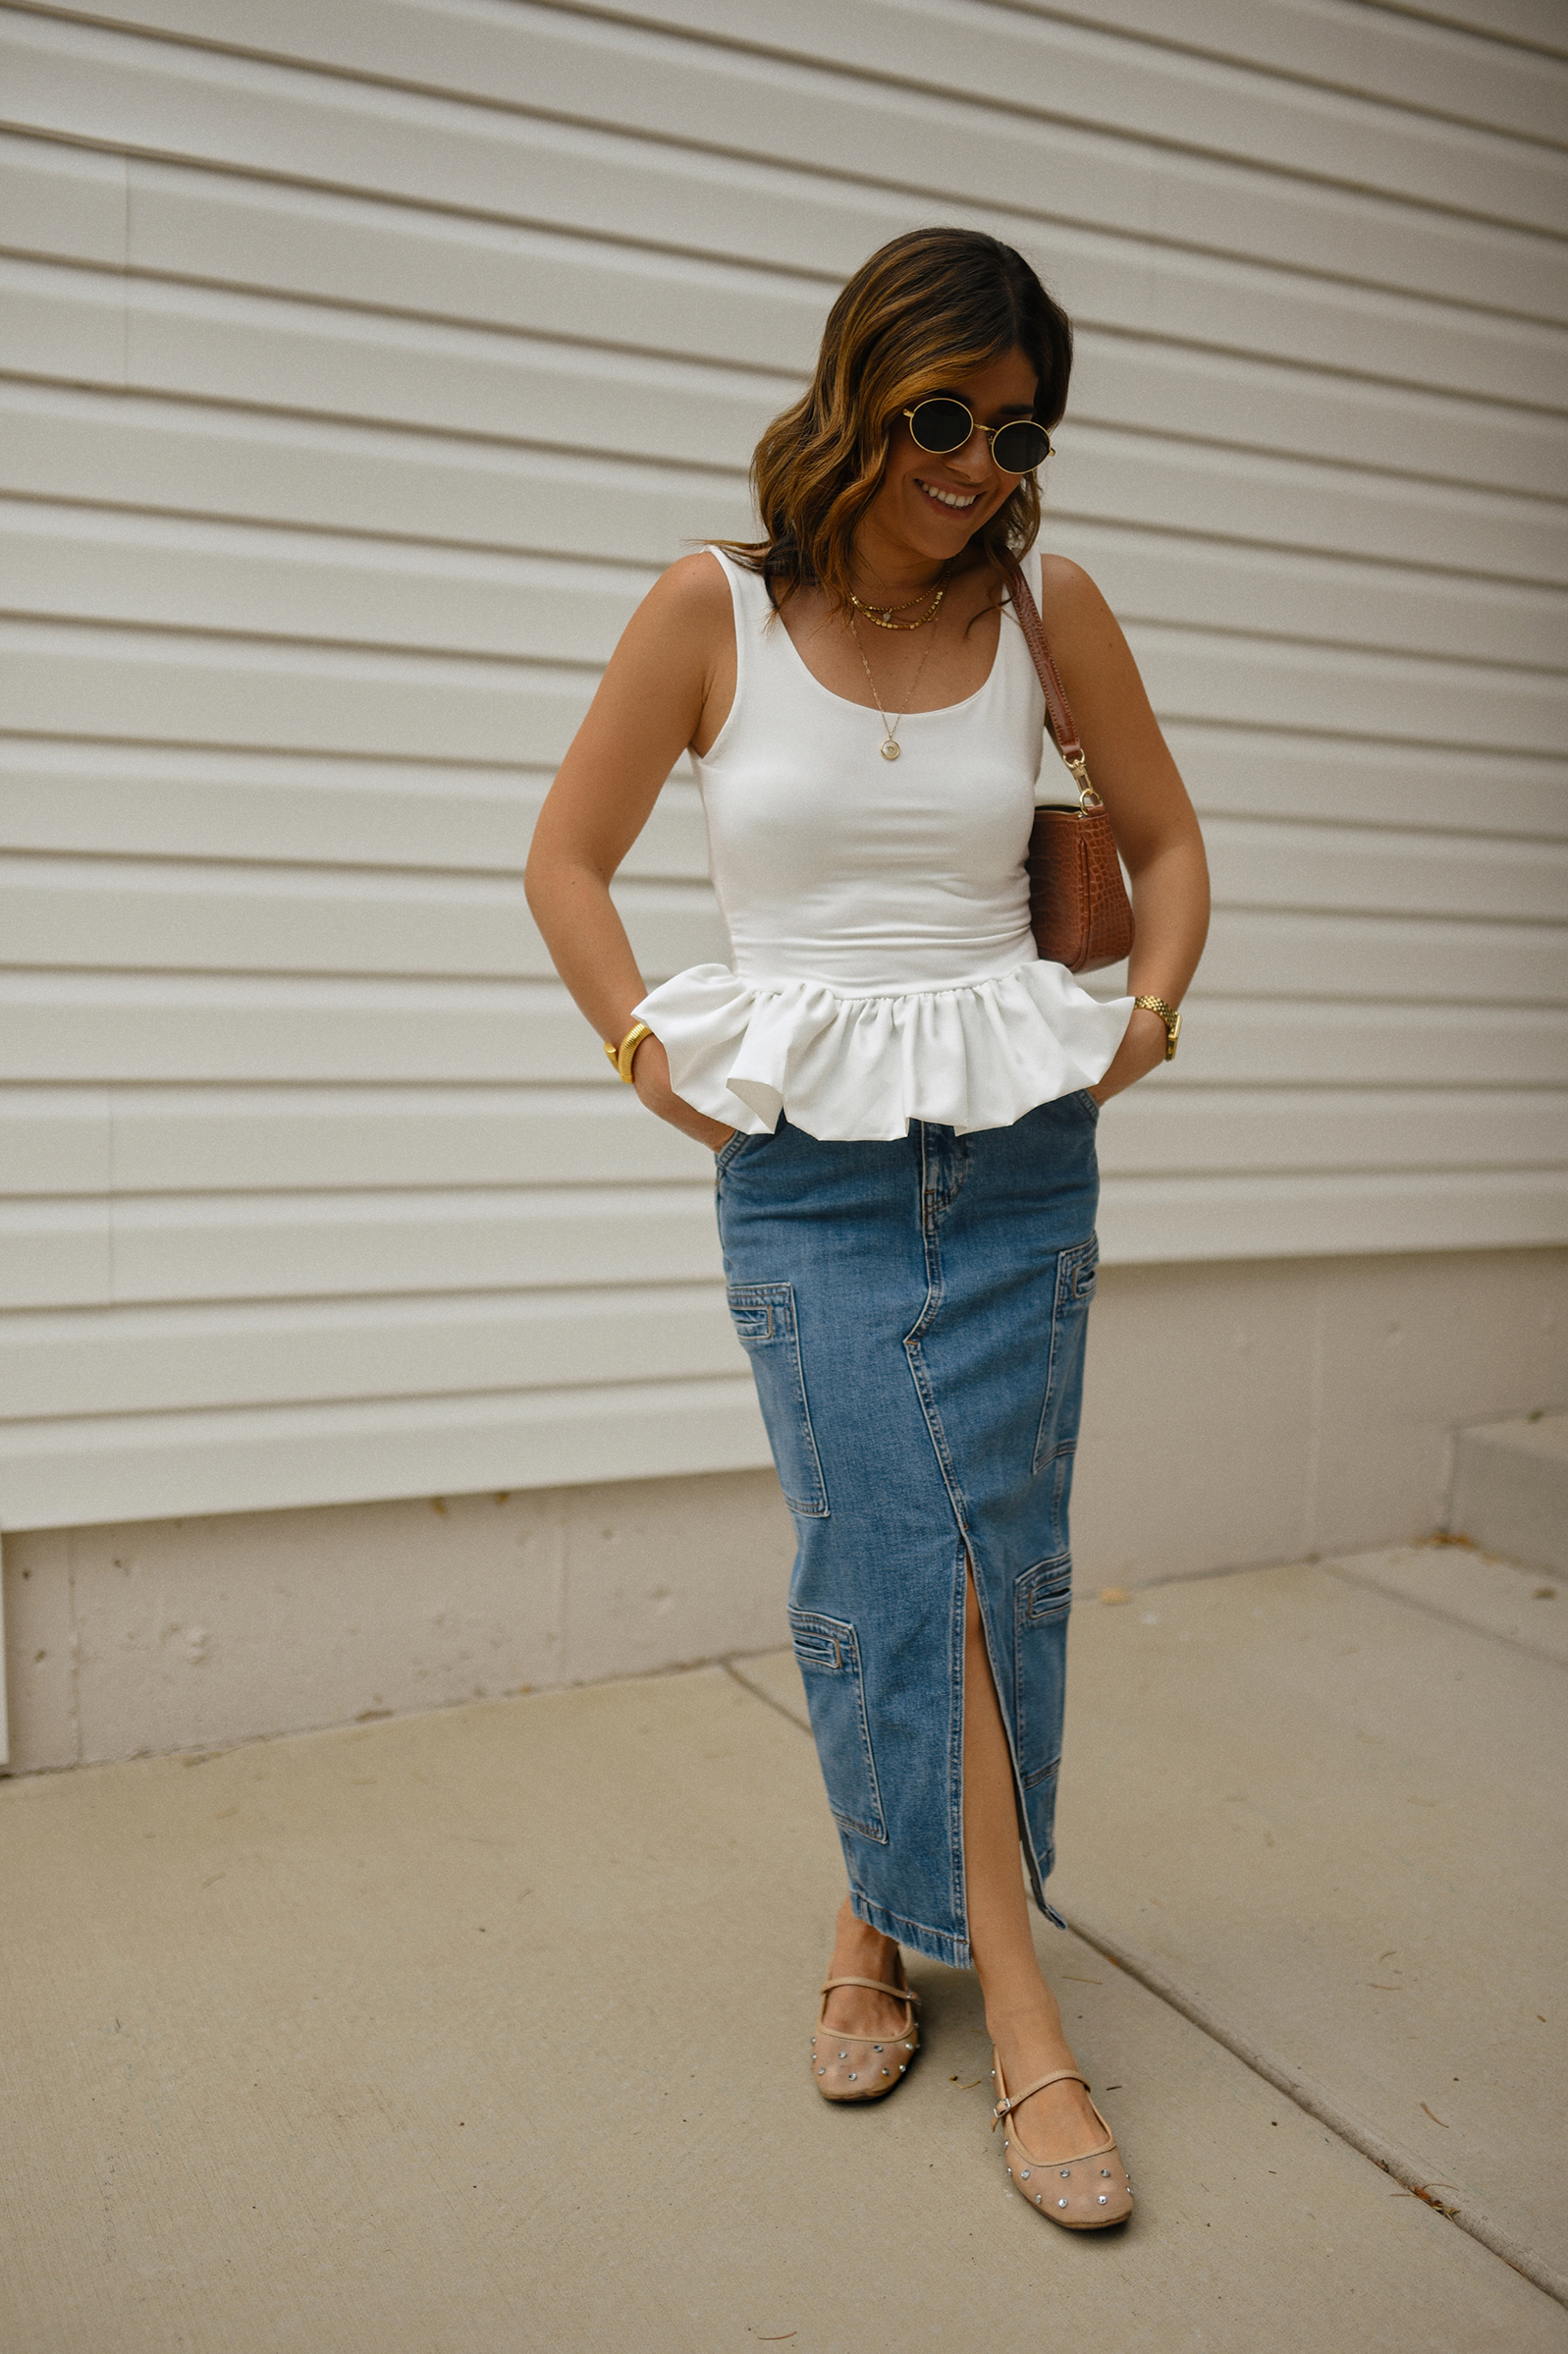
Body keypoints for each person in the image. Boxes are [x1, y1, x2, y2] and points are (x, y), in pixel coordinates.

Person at [526, 227, 1210, 2229]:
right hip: (806, 1166)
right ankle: (1016, 2002)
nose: (975, 460)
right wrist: (639, 1032)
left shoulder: (1046, 606)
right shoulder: (708, 608)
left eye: (1014, 428)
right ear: (853, 390)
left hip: (1015, 1156)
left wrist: (1143, 1019)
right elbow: (566, 854)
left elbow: (1163, 839)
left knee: (995, 1563)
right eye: (939, 414)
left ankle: (872, 1910)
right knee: (888, 1553)